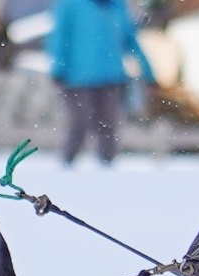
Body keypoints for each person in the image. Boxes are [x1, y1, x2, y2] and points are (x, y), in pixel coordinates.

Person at [46, 0, 156, 166]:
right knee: (79, 123)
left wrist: (147, 71)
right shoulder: (70, 5)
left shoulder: (117, 5)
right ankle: (67, 164)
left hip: (111, 78)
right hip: (77, 78)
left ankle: (107, 167)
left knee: (108, 125)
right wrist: (58, 68)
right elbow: (60, 36)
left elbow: (130, 39)